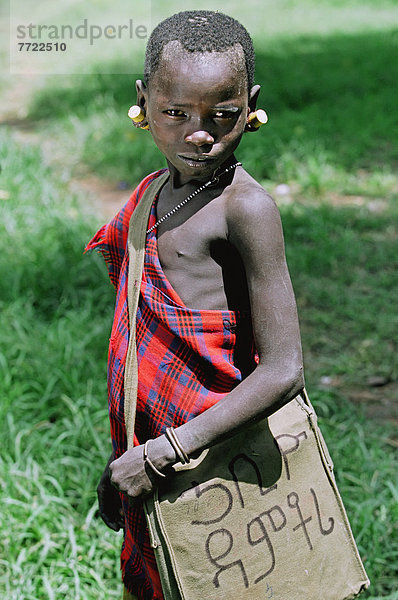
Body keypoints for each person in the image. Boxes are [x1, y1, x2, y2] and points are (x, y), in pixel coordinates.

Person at [86, 10, 304, 600]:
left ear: (251, 107)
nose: (198, 133)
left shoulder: (246, 210)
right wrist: (130, 454)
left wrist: (162, 453)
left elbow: (285, 370)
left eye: (222, 115)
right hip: (146, 445)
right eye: (174, 113)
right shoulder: (152, 193)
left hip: (214, 458)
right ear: (144, 101)